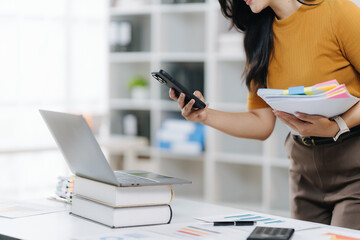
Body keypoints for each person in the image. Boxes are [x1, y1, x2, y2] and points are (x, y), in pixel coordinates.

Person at [169, 0, 360, 230]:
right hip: (304, 171)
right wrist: (204, 116)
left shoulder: (337, 11)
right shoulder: (258, 34)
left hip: (353, 162)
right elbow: (261, 123)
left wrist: (338, 125)